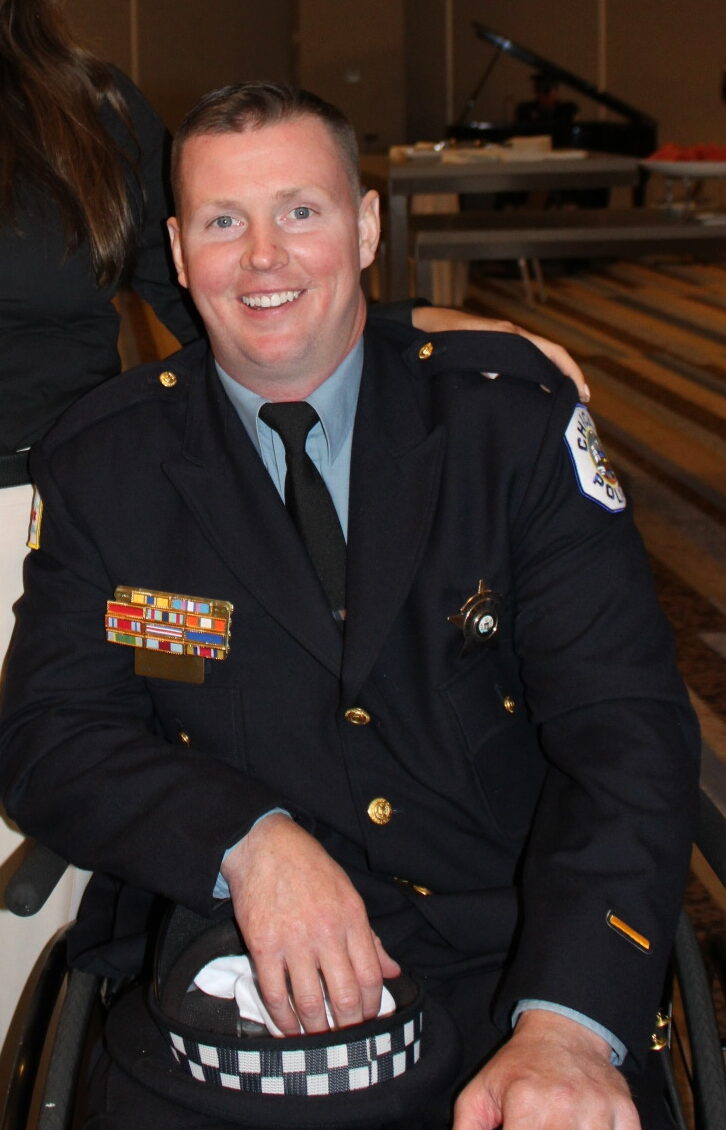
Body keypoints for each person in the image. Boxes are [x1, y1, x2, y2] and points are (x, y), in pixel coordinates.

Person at [0, 81, 697, 1130]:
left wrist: (568, 1020)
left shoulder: (505, 428)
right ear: (178, 253)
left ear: (367, 227)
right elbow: (50, 736)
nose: (263, 258)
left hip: (508, 962)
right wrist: (245, 840)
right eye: (224, 222)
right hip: (223, 973)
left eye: (301, 211)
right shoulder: (109, 465)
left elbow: (625, 731)